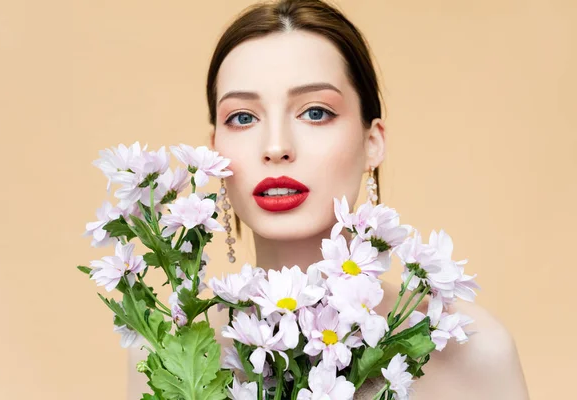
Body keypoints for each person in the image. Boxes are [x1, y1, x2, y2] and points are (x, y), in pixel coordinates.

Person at [129, 0, 530, 398]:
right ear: (214, 151)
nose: (276, 146)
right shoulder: (165, 352)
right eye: (243, 117)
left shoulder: (473, 352)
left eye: (316, 112)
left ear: (372, 142)